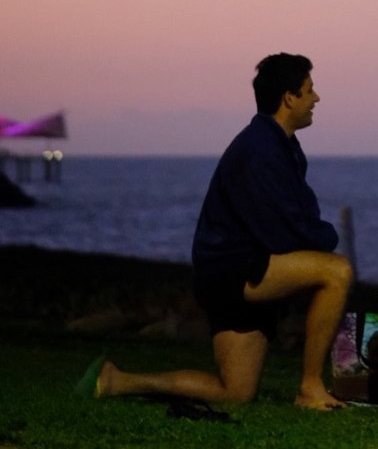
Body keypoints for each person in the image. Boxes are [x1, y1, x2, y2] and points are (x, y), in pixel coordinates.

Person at [82, 53, 353, 410]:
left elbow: (299, 218)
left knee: (235, 393)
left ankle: (118, 381)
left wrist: (316, 236)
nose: (316, 98)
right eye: (309, 90)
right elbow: (285, 233)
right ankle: (309, 388)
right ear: (289, 97)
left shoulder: (282, 146)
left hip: (234, 269)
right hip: (232, 273)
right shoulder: (260, 150)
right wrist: (326, 240)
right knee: (337, 271)